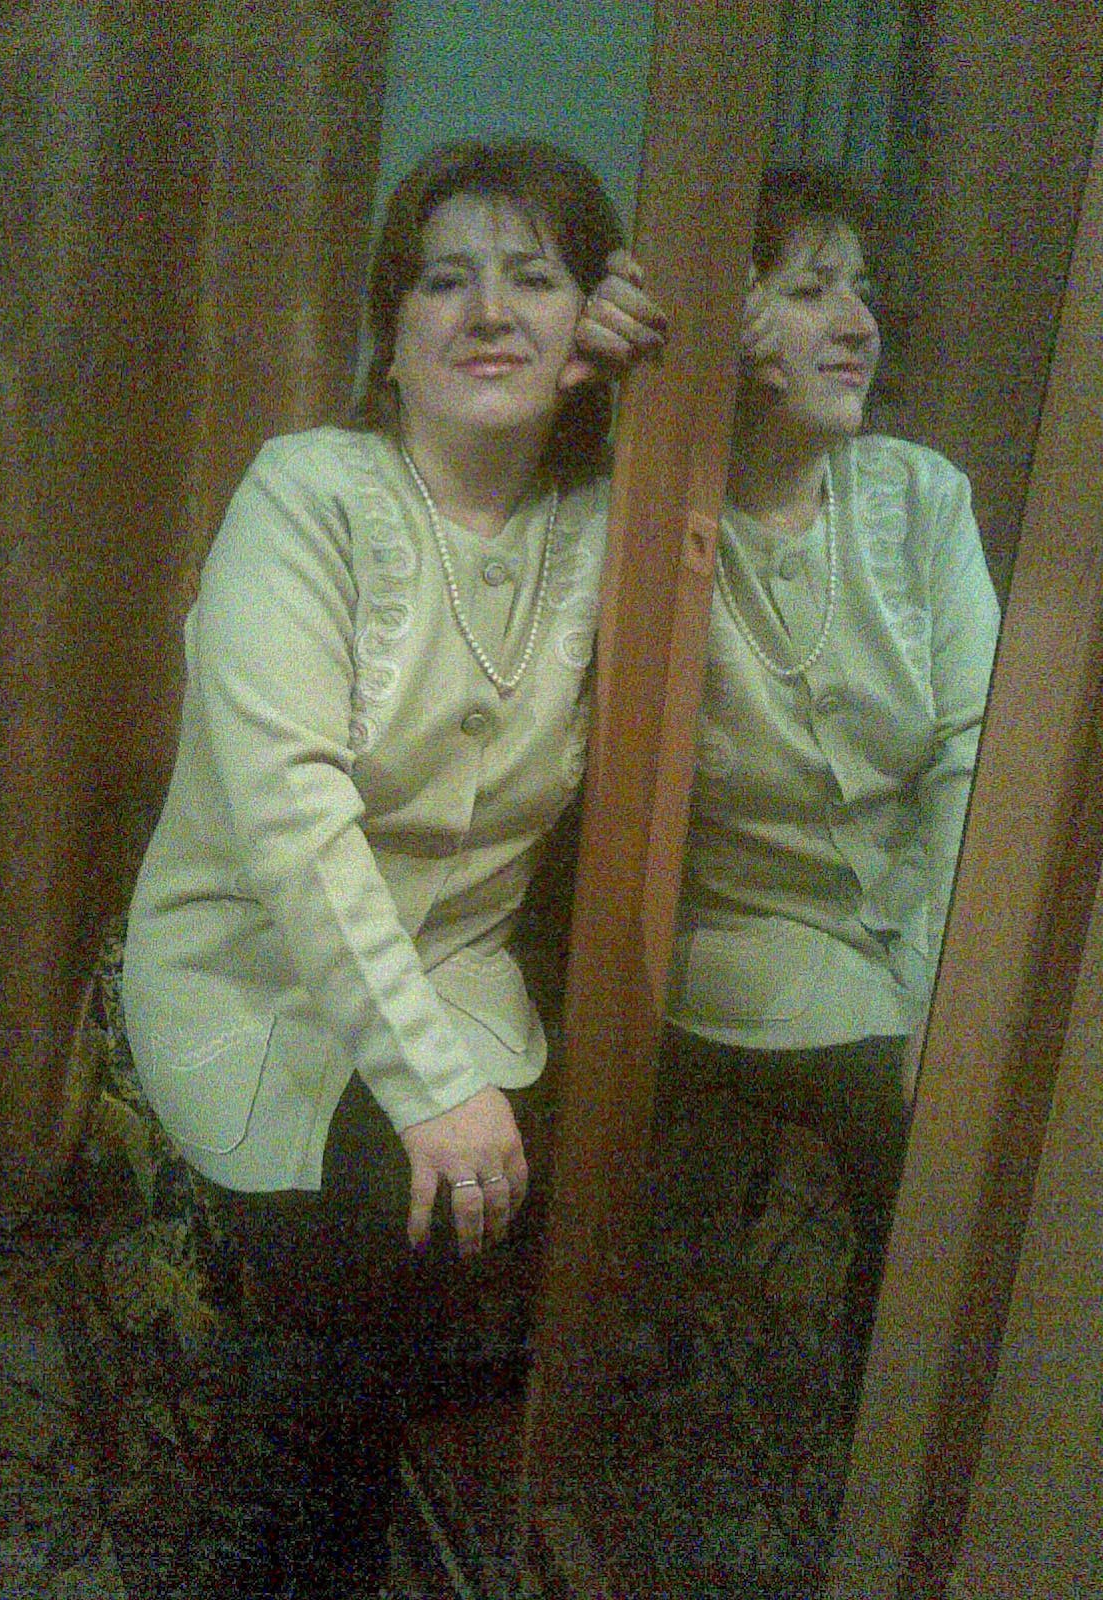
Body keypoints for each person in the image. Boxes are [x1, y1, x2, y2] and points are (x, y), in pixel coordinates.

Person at [120, 137, 664, 1598]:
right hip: (250, 974)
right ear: (394, 331)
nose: (486, 311)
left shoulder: (609, 519)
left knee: (486, 1209)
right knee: (381, 1214)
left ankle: (322, 1504)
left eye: (532, 279)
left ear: (590, 326)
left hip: (462, 969)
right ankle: (287, 1544)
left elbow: (753, 525)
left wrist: (669, 384)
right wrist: (428, 1086)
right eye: (443, 281)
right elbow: (291, 819)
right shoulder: (307, 492)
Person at [661, 166, 1001, 1403]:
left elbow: (972, 748)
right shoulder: (652, 518)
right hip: (749, 935)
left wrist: (946, 975)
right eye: (810, 291)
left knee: (1003, 1092)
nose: (859, 323)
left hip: (920, 911)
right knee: (917, 1129)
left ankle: (935, 1400)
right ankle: (884, 1427)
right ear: (733, 318)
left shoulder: (920, 497)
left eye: (861, 290)